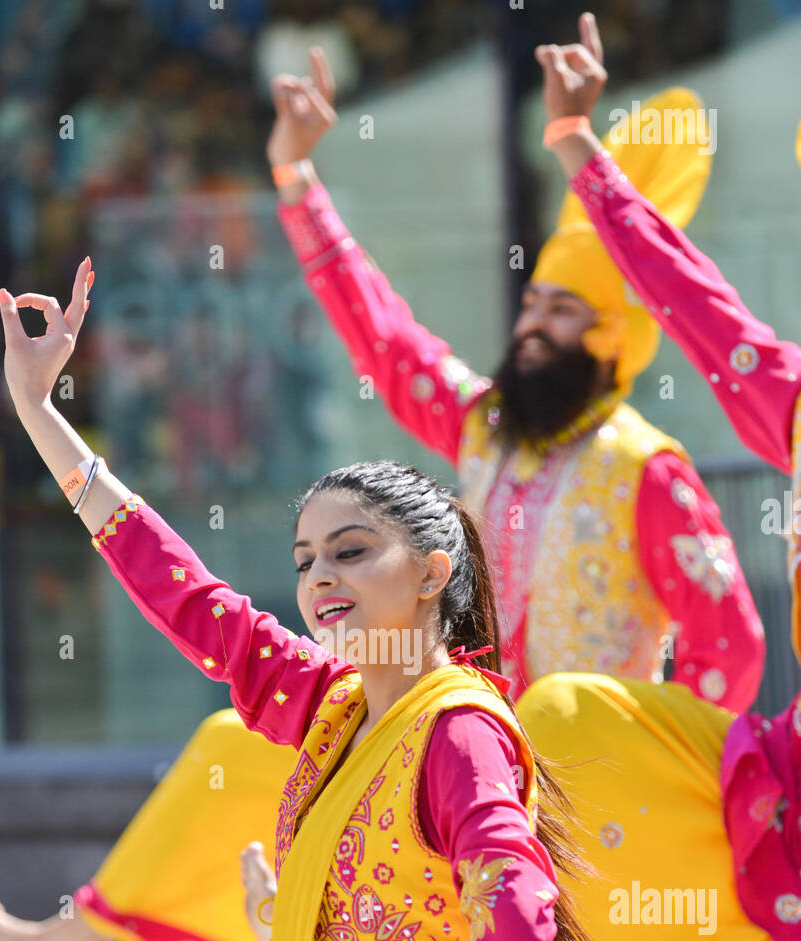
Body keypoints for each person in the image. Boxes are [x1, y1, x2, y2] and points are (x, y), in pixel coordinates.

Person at [0, 259, 607, 941]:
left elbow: (521, 912)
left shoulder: (455, 731)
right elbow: (189, 597)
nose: (318, 577)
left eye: (351, 552)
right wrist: (43, 417)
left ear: (431, 571)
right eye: (307, 556)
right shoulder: (334, 707)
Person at [511, 12, 801, 941]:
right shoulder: (790, 405)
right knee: (565, 723)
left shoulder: (652, 466)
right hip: (770, 808)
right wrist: (583, 154)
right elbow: (698, 304)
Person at [266, 46, 764, 709]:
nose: (531, 325)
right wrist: (295, 177)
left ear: (613, 341)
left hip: (598, 794)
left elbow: (728, 646)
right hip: (481, 761)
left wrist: (662, 770)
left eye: (561, 311)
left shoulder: (646, 469)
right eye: (530, 304)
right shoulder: (487, 427)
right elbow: (385, 339)